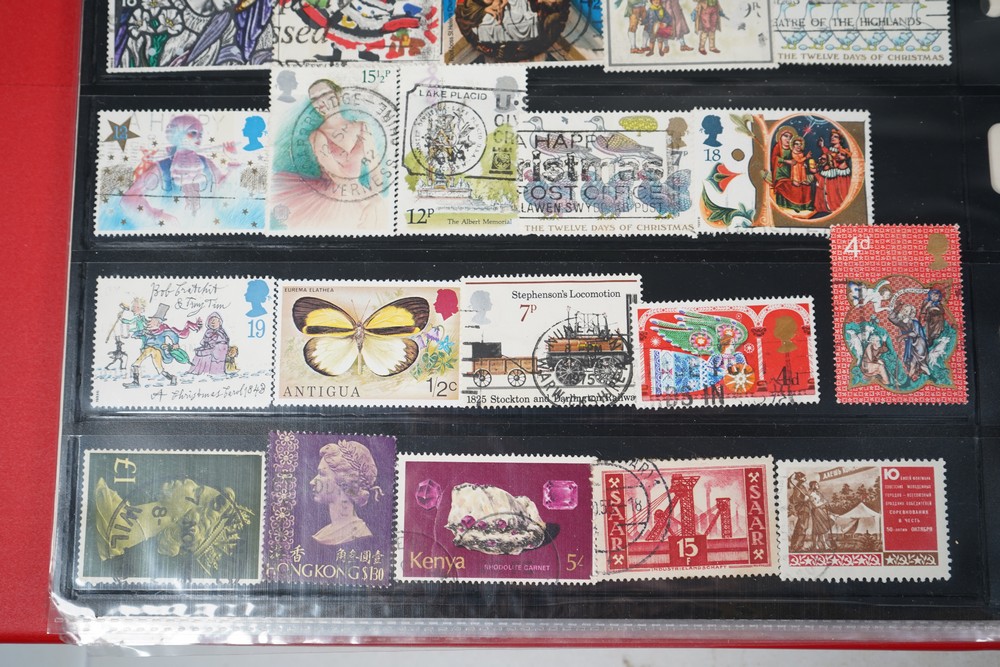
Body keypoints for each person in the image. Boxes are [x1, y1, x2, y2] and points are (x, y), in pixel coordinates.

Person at [271, 79, 389, 232]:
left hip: (360, 193)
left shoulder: (362, 127)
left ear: (337, 95)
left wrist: (375, 197)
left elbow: (374, 166)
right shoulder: (318, 136)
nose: (320, 101)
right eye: (314, 99)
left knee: (379, 213)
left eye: (325, 94)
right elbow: (338, 177)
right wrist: (369, 200)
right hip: (335, 197)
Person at [93, 476, 254, 577]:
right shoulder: (117, 514)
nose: (189, 481)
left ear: (185, 520)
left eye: (196, 491)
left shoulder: (108, 516)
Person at [122, 115, 237, 224]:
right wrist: (156, 215)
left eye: (200, 134)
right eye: (193, 133)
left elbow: (223, 189)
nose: (198, 137)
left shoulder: (207, 163)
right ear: (177, 134)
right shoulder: (162, 167)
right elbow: (129, 198)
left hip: (206, 226)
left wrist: (233, 159)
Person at [310, 440, 383, 546]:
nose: (312, 482)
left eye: (322, 474)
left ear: (343, 481)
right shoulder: (323, 533)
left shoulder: (359, 533)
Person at [123, 304, 202, 388]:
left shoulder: (163, 330)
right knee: (159, 369)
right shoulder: (148, 331)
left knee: (148, 352)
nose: (150, 322)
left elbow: (173, 335)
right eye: (150, 320)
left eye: (152, 321)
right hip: (152, 352)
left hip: (159, 351)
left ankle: (136, 376)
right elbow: (136, 334)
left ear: (158, 322)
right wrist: (140, 333)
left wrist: (175, 344)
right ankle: (172, 378)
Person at [770, 126, 813, 214]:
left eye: (790, 137)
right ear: (780, 137)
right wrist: (787, 161)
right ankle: (792, 206)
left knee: (805, 186)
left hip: (792, 173)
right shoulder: (778, 147)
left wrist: (802, 163)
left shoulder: (792, 149)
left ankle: (804, 206)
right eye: (785, 136)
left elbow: (797, 159)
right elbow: (774, 158)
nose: (788, 139)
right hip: (780, 173)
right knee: (790, 186)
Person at [812, 129, 853, 215]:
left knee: (835, 193)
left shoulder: (840, 150)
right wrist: (822, 146)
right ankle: (824, 207)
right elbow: (828, 155)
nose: (832, 138)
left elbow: (833, 158)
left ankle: (834, 208)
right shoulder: (832, 150)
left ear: (840, 140)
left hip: (835, 176)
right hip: (829, 174)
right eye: (832, 136)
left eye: (835, 137)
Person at [889, 302, 930, 381]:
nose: (904, 312)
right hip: (910, 344)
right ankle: (910, 379)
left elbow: (915, 333)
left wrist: (903, 336)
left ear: (911, 313)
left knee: (919, 364)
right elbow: (891, 317)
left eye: (907, 311)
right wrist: (898, 307)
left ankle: (928, 377)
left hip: (919, 344)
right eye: (904, 309)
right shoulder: (902, 322)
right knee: (912, 363)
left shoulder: (914, 322)